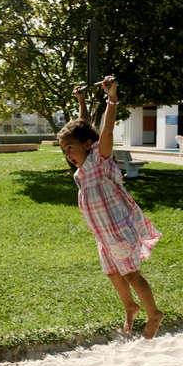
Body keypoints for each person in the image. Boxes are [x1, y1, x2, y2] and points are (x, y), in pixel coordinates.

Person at [57, 76, 164, 339]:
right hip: (103, 235)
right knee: (113, 274)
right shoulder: (82, 169)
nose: (67, 154)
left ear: (86, 146)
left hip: (117, 230)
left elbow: (104, 131)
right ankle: (130, 305)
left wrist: (112, 98)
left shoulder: (100, 160)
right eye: (63, 150)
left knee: (130, 274)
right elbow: (84, 129)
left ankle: (154, 314)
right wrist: (81, 102)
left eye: (69, 148)